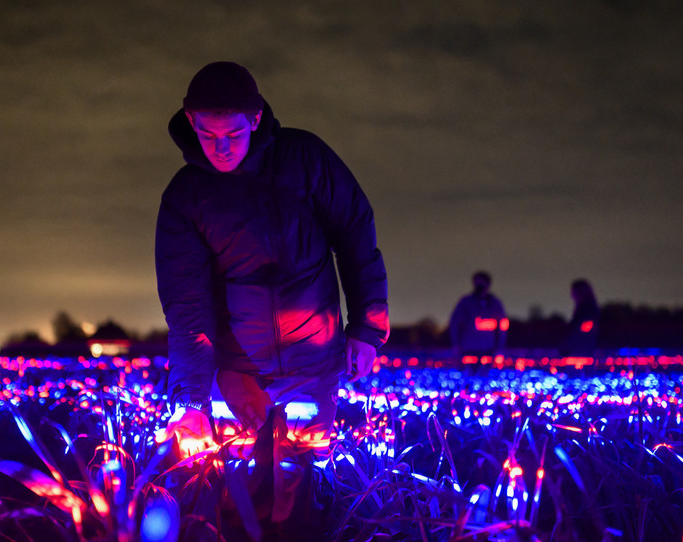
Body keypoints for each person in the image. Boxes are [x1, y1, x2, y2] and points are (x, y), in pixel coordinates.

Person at [154, 61, 389, 533]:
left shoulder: (306, 159)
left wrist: (365, 328)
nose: (222, 148)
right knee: (236, 494)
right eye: (208, 135)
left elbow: (356, 236)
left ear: (256, 118)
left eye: (234, 135)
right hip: (237, 371)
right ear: (190, 121)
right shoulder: (186, 197)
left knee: (303, 487)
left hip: (313, 363)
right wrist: (192, 401)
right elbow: (187, 308)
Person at [447, 270, 508, 357]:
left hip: (489, 348)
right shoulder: (466, 302)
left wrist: (500, 347)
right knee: (469, 370)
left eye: (482, 283)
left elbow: (502, 326)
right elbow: (455, 323)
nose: (479, 286)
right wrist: (456, 344)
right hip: (468, 347)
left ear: (488, 284)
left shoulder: (495, 303)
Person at [562, 278, 599, 355]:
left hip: (582, 349)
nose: (571, 296)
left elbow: (584, 330)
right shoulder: (587, 309)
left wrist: (568, 345)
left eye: (574, 293)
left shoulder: (588, 310)